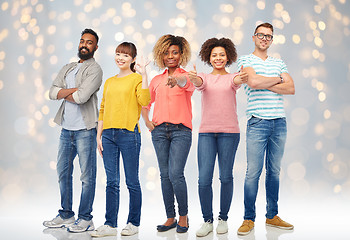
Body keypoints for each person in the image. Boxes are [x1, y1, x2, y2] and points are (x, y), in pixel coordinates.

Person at [236, 22, 295, 235]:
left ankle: (272, 216)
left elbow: (291, 88)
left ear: (272, 40)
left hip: (279, 122)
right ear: (253, 37)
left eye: (268, 36)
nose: (264, 39)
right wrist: (278, 80)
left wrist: (266, 80)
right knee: (253, 172)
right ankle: (248, 219)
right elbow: (252, 82)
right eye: (261, 35)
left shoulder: (279, 62)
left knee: (275, 172)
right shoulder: (245, 60)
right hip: (257, 121)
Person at [188, 37, 248, 237]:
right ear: (209, 57)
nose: (218, 58)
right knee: (204, 179)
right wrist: (194, 77)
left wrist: (243, 76)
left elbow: (239, 80)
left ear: (228, 57)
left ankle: (223, 218)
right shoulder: (204, 77)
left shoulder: (232, 78)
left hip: (229, 134)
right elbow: (198, 83)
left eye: (222, 55)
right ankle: (207, 220)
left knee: (225, 176)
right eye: (214, 55)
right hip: (206, 133)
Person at [44, 28, 103, 233]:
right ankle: (67, 215)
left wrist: (64, 93)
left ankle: (86, 218)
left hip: (85, 130)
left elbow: (82, 98)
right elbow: (51, 93)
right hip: (66, 130)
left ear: (95, 47)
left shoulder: (95, 70)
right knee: (63, 173)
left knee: (87, 177)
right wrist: (71, 91)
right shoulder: (68, 67)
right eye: (82, 41)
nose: (84, 45)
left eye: (89, 42)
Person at [90, 42, 150, 237]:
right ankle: (110, 224)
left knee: (132, 181)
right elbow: (102, 110)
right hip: (107, 135)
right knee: (111, 182)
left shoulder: (136, 79)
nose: (120, 58)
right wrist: (98, 136)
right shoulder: (109, 81)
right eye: (118, 54)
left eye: (125, 55)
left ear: (132, 59)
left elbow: (145, 101)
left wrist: (144, 75)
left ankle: (133, 223)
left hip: (128, 134)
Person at [141, 34, 193, 233]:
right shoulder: (156, 80)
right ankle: (170, 217)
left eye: (175, 52)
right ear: (161, 56)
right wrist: (147, 121)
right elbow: (146, 103)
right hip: (160, 131)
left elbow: (187, 84)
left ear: (181, 55)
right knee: (164, 175)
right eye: (167, 53)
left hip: (181, 131)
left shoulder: (186, 76)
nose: (171, 56)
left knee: (176, 174)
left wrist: (177, 79)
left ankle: (184, 217)